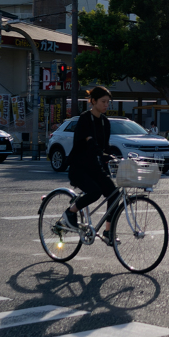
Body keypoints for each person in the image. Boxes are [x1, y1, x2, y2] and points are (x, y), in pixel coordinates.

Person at [62, 86, 120, 245]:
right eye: (103, 101)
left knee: (114, 194)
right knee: (95, 192)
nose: (106, 105)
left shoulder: (105, 122)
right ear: (93, 101)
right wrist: (98, 151)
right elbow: (88, 142)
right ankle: (70, 212)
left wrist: (112, 157)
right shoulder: (84, 119)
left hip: (96, 167)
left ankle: (108, 231)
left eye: (108, 102)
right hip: (79, 167)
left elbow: (105, 146)